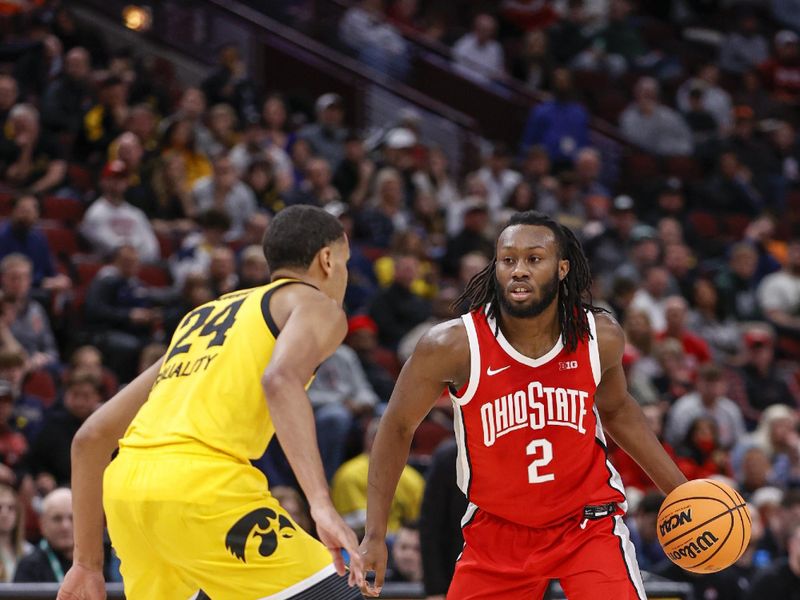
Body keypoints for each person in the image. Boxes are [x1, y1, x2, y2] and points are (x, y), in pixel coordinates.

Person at [359, 211, 687, 599]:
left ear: (562, 268)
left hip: (586, 526)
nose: (518, 270)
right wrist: (375, 534)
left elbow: (616, 410)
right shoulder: (452, 346)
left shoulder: (599, 336)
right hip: (498, 532)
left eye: (534, 259)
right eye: (508, 259)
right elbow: (396, 427)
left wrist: (681, 492)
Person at [58, 205, 364, 599]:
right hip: (203, 486)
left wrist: (85, 564)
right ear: (326, 259)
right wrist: (320, 504)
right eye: (345, 262)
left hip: (127, 494)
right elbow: (280, 379)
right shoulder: (315, 304)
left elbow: (91, 437)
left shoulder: (201, 318)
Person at [15, 488, 73, 583]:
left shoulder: (99, 559)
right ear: (42, 524)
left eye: (72, 518)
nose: (65, 526)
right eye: (57, 519)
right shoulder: (29, 567)